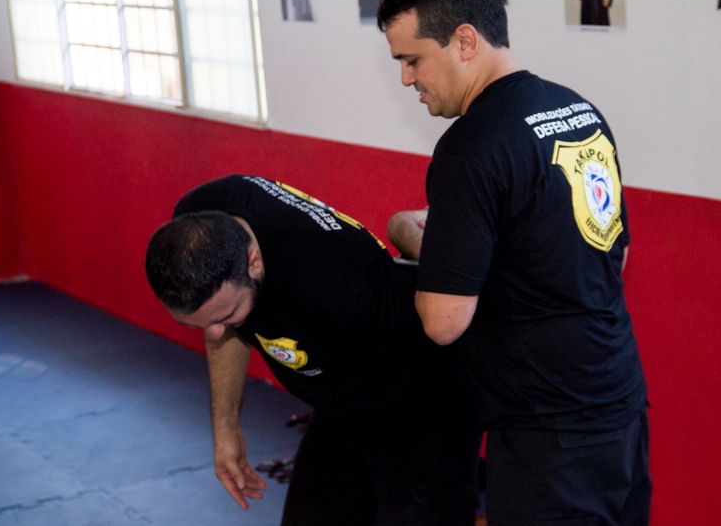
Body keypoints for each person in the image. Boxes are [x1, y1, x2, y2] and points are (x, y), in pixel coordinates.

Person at [377, 0, 650, 525]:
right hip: (620, 405)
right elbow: (612, 255)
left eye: (412, 59)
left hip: (547, 431)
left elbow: (443, 321)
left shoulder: (470, 146)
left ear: (464, 40)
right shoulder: (578, 111)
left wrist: (411, 234)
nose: (407, 78)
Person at [145, 174, 481, 526]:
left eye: (228, 316)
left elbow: (455, 311)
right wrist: (226, 426)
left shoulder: (338, 281)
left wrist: (404, 228)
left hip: (423, 409)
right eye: (198, 324)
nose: (215, 333)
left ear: (253, 261)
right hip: (340, 410)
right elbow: (221, 325)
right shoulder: (197, 228)